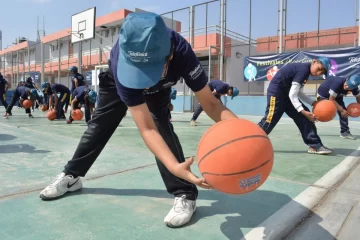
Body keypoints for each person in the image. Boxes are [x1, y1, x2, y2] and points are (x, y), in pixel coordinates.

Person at [40, 12, 238, 228]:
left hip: (160, 89)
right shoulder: (120, 63)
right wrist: (174, 165)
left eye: (149, 71)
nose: (142, 83)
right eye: (138, 71)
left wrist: (243, 134)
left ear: (168, 56)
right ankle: (72, 176)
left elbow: (210, 103)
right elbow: (146, 130)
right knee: (98, 126)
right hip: (120, 81)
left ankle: (185, 193)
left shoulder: (182, 53)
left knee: (162, 126)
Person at [258, 57, 333, 155]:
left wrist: (312, 103)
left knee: (305, 119)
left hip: (287, 95)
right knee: (269, 120)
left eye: (322, 72)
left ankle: (315, 146)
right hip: (276, 94)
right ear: (314, 61)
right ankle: (251, 139)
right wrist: (302, 111)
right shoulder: (303, 70)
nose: (319, 73)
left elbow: (298, 92)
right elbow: (293, 95)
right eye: (319, 68)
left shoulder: (305, 72)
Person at [316, 74, 360, 140]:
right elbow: (331, 100)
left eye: (350, 87)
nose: (347, 87)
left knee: (344, 112)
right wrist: (341, 110)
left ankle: (344, 132)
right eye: (347, 84)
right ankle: (307, 127)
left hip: (337, 96)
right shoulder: (337, 82)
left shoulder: (354, 87)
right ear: (347, 79)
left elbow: (358, 98)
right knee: (321, 113)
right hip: (323, 95)